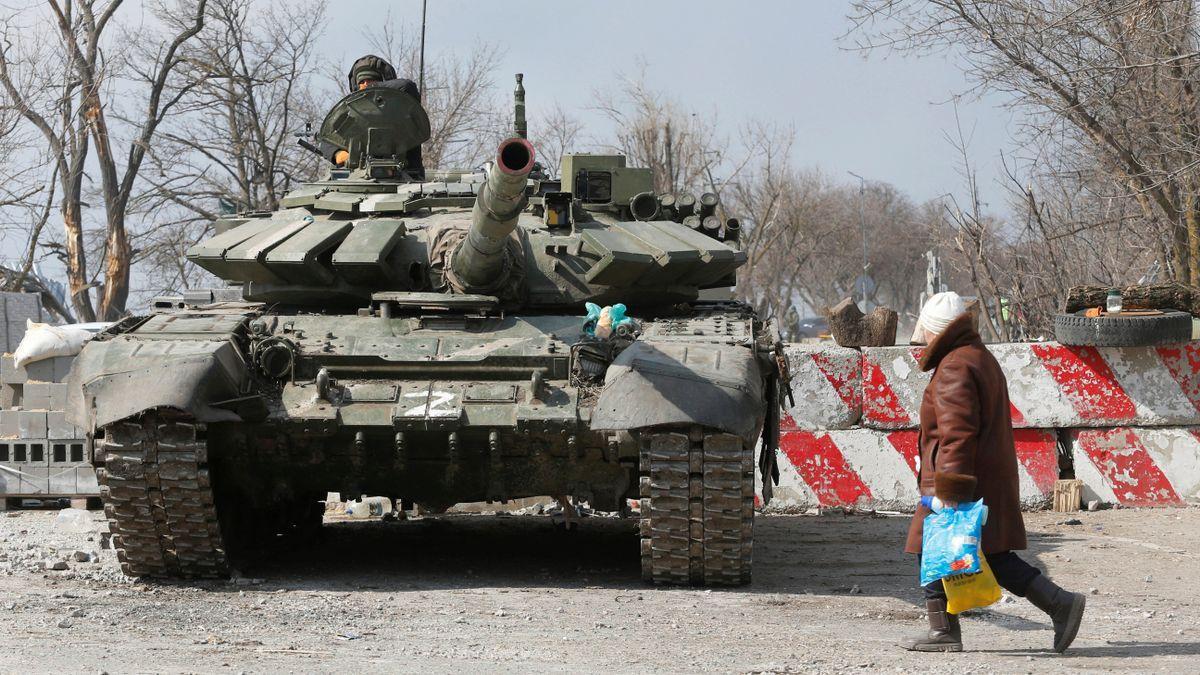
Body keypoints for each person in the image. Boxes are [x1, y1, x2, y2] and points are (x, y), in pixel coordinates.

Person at [903, 291, 1086, 653]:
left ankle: (946, 630)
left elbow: (957, 434)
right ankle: (1057, 604)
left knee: (935, 547)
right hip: (984, 478)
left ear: (935, 331)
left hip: (961, 482)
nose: (919, 337)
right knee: (988, 554)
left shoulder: (955, 366)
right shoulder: (977, 357)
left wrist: (950, 493)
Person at [321, 54, 425, 179]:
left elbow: (407, 86)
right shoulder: (353, 114)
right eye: (362, 82)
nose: (366, 84)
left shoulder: (401, 111)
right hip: (358, 179)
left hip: (404, 177)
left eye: (371, 80)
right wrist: (337, 153)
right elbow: (328, 139)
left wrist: (372, 89)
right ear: (356, 86)